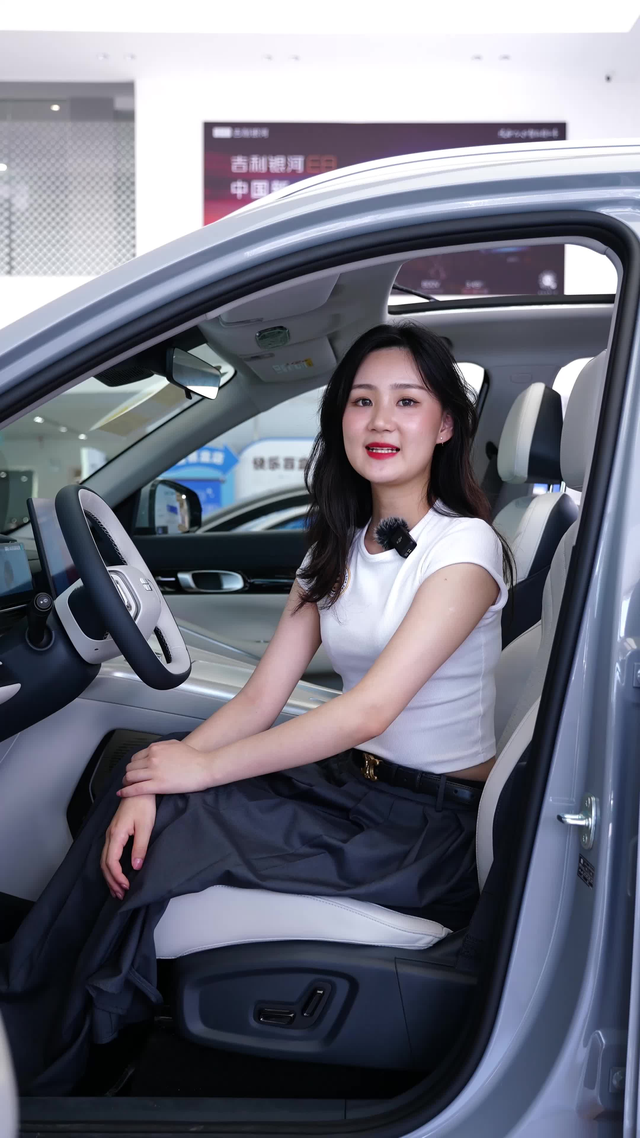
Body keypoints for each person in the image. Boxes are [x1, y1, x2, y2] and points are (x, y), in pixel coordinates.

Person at [0, 321, 513, 1095]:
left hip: (424, 830)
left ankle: (58, 1055)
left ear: (444, 425)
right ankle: (34, 1014)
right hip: (351, 788)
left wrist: (198, 770)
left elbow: (366, 712)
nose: (380, 421)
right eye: (362, 401)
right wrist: (160, 776)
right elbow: (261, 698)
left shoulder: (466, 549)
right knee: (133, 780)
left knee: (180, 818)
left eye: (407, 402)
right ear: (339, 418)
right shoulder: (338, 546)